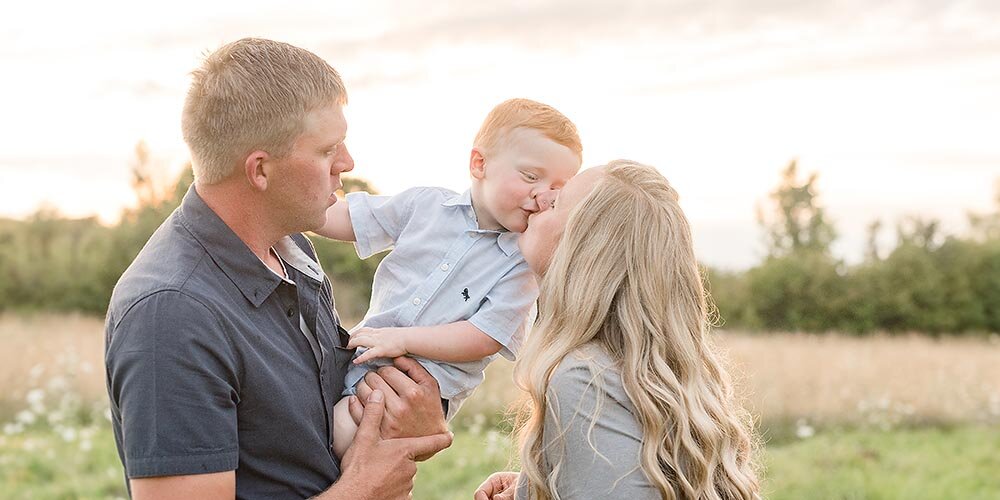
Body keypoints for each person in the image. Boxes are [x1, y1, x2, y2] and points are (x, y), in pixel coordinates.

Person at [104, 37, 452, 500]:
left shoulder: (292, 252)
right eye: (328, 151)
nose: (347, 163)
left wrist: (408, 420)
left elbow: (311, 436)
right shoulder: (172, 314)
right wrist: (363, 492)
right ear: (260, 170)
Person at [474, 161, 761, 500]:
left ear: (581, 248)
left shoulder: (582, 380)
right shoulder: (645, 372)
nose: (538, 198)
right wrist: (536, 487)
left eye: (555, 202)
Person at [313, 98, 582, 458]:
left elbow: (484, 336)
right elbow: (346, 219)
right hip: (362, 360)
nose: (542, 195)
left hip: (416, 389)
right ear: (479, 164)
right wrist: (290, 214)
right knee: (302, 418)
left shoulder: (522, 264)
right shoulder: (425, 206)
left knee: (337, 437)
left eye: (558, 188)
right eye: (531, 176)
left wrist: (403, 339)